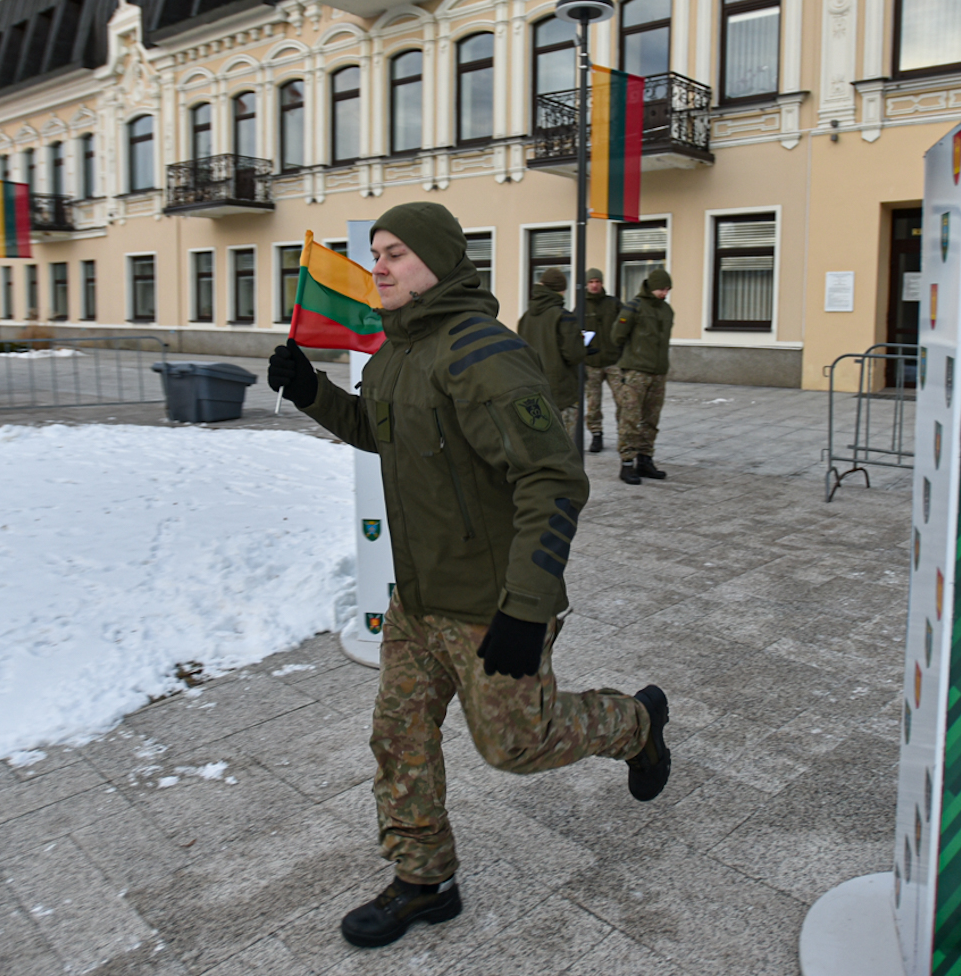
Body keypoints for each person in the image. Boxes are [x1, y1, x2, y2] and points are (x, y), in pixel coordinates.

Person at [266, 201, 671, 949]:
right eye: (376, 253)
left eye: (395, 254)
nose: (378, 267)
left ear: (440, 261)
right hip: (417, 601)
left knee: (515, 744)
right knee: (399, 736)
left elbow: (552, 481)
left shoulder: (483, 354)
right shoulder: (398, 351)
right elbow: (380, 432)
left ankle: (637, 723)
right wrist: (313, 392)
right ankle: (426, 880)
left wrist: (526, 607)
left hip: (492, 604)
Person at [611, 267, 674, 485]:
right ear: (651, 287)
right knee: (630, 417)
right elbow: (617, 335)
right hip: (636, 371)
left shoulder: (667, 310)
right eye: (661, 289)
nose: (664, 293)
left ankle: (645, 459)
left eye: (667, 289)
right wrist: (631, 356)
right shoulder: (634, 306)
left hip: (658, 372)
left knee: (651, 419)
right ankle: (627, 463)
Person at [516, 267, 585, 436]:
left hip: (532, 392)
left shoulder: (525, 317)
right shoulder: (563, 316)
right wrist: (581, 344)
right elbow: (574, 355)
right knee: (564, 442)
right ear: (561, 290)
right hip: (561, 392)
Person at [583, 268, 624, 454]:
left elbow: (625, 328)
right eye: (591, 282)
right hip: (591, 363)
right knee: (593, 403)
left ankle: (624, 433)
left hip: (614, 361)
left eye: (597, 281)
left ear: (602, 283)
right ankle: (596, 434)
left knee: (623, 400)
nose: (594, 285)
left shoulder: (613, 304)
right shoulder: (581, 306)